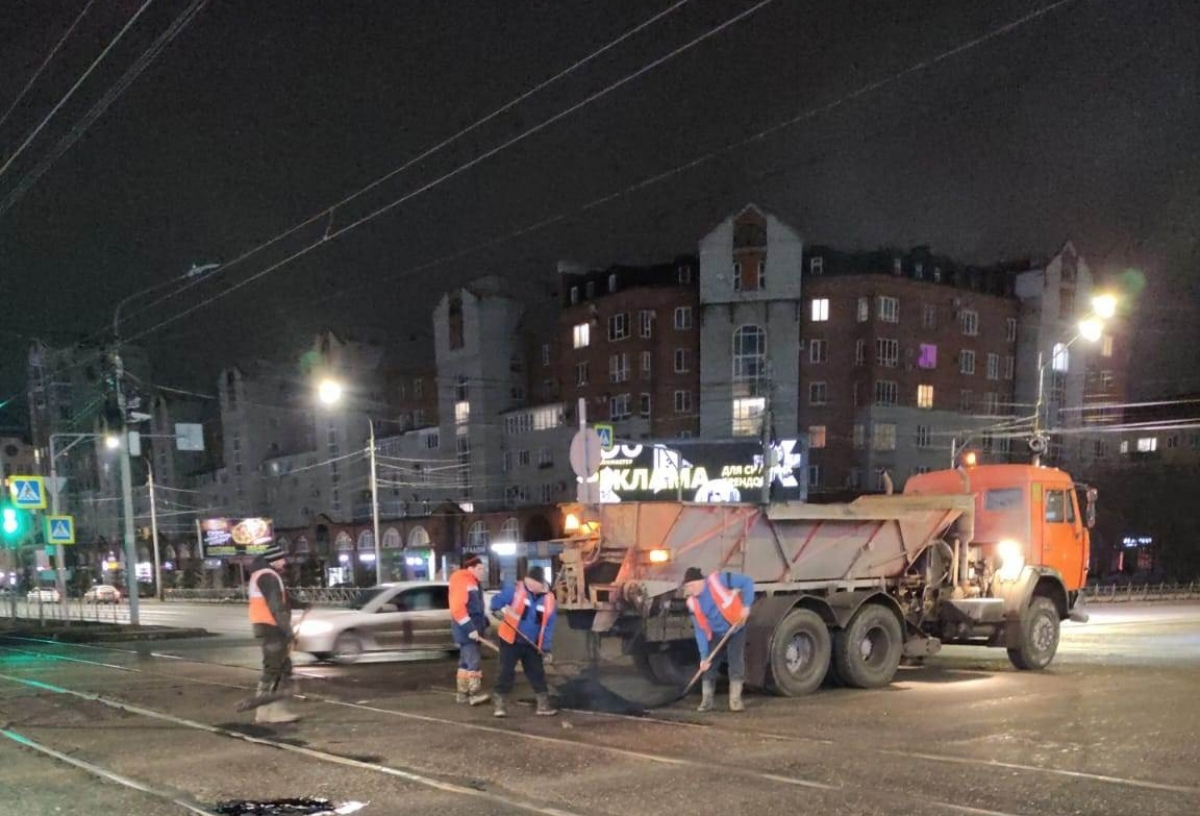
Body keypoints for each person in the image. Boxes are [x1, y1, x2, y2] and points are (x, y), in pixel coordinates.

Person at [247, 543, 306, 723]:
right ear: (273, 560)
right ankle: (270, 711)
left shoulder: (264, 574)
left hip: (266, 626)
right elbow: (276, 607)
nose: (284, 561)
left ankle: (266, 711)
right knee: (276, 669)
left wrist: (302, 605)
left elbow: (283, 599)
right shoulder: (268, 576)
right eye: (281, 558)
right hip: (271, 627)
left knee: (280, 667)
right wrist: (287, 632)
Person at [682, 566, 755, 713]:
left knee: (735, 662)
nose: (691, 589)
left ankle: (735, 700)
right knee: (709, 665)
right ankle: (707, 701)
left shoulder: (718, 581)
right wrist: (704, 657)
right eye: (688, 587)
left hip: (736, 627)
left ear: (701, 581)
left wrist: (746, 606)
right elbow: (700, 631)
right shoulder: (693, 603)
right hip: (716, 633)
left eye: (692, 585)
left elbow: (747, 582)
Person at [490, 566, 558, 718]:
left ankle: (543, 705)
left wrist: (546, 648)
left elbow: (548, 626)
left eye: (533, 583)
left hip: (531, 644)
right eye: (528, 582)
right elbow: (496, 602)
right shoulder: (515, 590)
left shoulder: (549, 599)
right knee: (505, 672)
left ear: (541, 583)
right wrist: (496, 610)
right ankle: (500, 704)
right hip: (510, 639)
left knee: (537, 673)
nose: (530, 585)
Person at [448, 556, 490, 705]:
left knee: (465, 662)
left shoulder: (471, 581)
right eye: (480, 569)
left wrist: (483, 622)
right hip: (467, 629)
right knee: (473, 662)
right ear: (470, 568)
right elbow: (458, 608)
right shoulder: (464, 580)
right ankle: (474, 694)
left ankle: (462, 694)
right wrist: (470, 629)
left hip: (469, 628)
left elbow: (475, 606)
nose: (482, 572)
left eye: (483, 569)